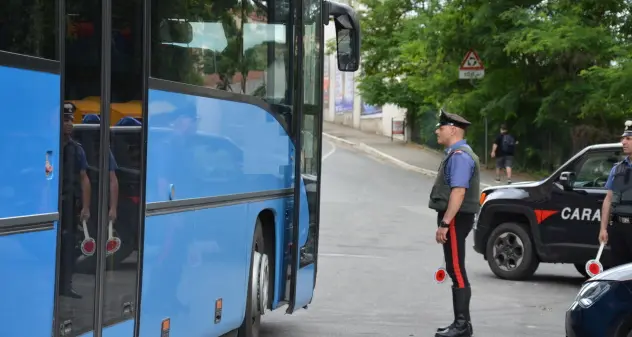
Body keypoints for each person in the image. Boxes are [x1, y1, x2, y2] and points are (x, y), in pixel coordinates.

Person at [428, 109, 480, 337]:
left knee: (457, 269)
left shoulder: (460, 156)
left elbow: (458, 192)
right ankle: (461, 324)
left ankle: (462, 325)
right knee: (453, 267)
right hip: (456, 218)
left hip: (456, 219)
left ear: (452, 129)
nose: (436, 130)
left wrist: (446, 223)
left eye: (440, 127)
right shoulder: (456, 153)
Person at [600, 120, 632, 268]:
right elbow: (608, 199)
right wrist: (603, 229)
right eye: (623, 138)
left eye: (628, 139)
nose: (623, 142)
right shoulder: (617, 169)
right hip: (618, 228)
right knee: (618, 271)